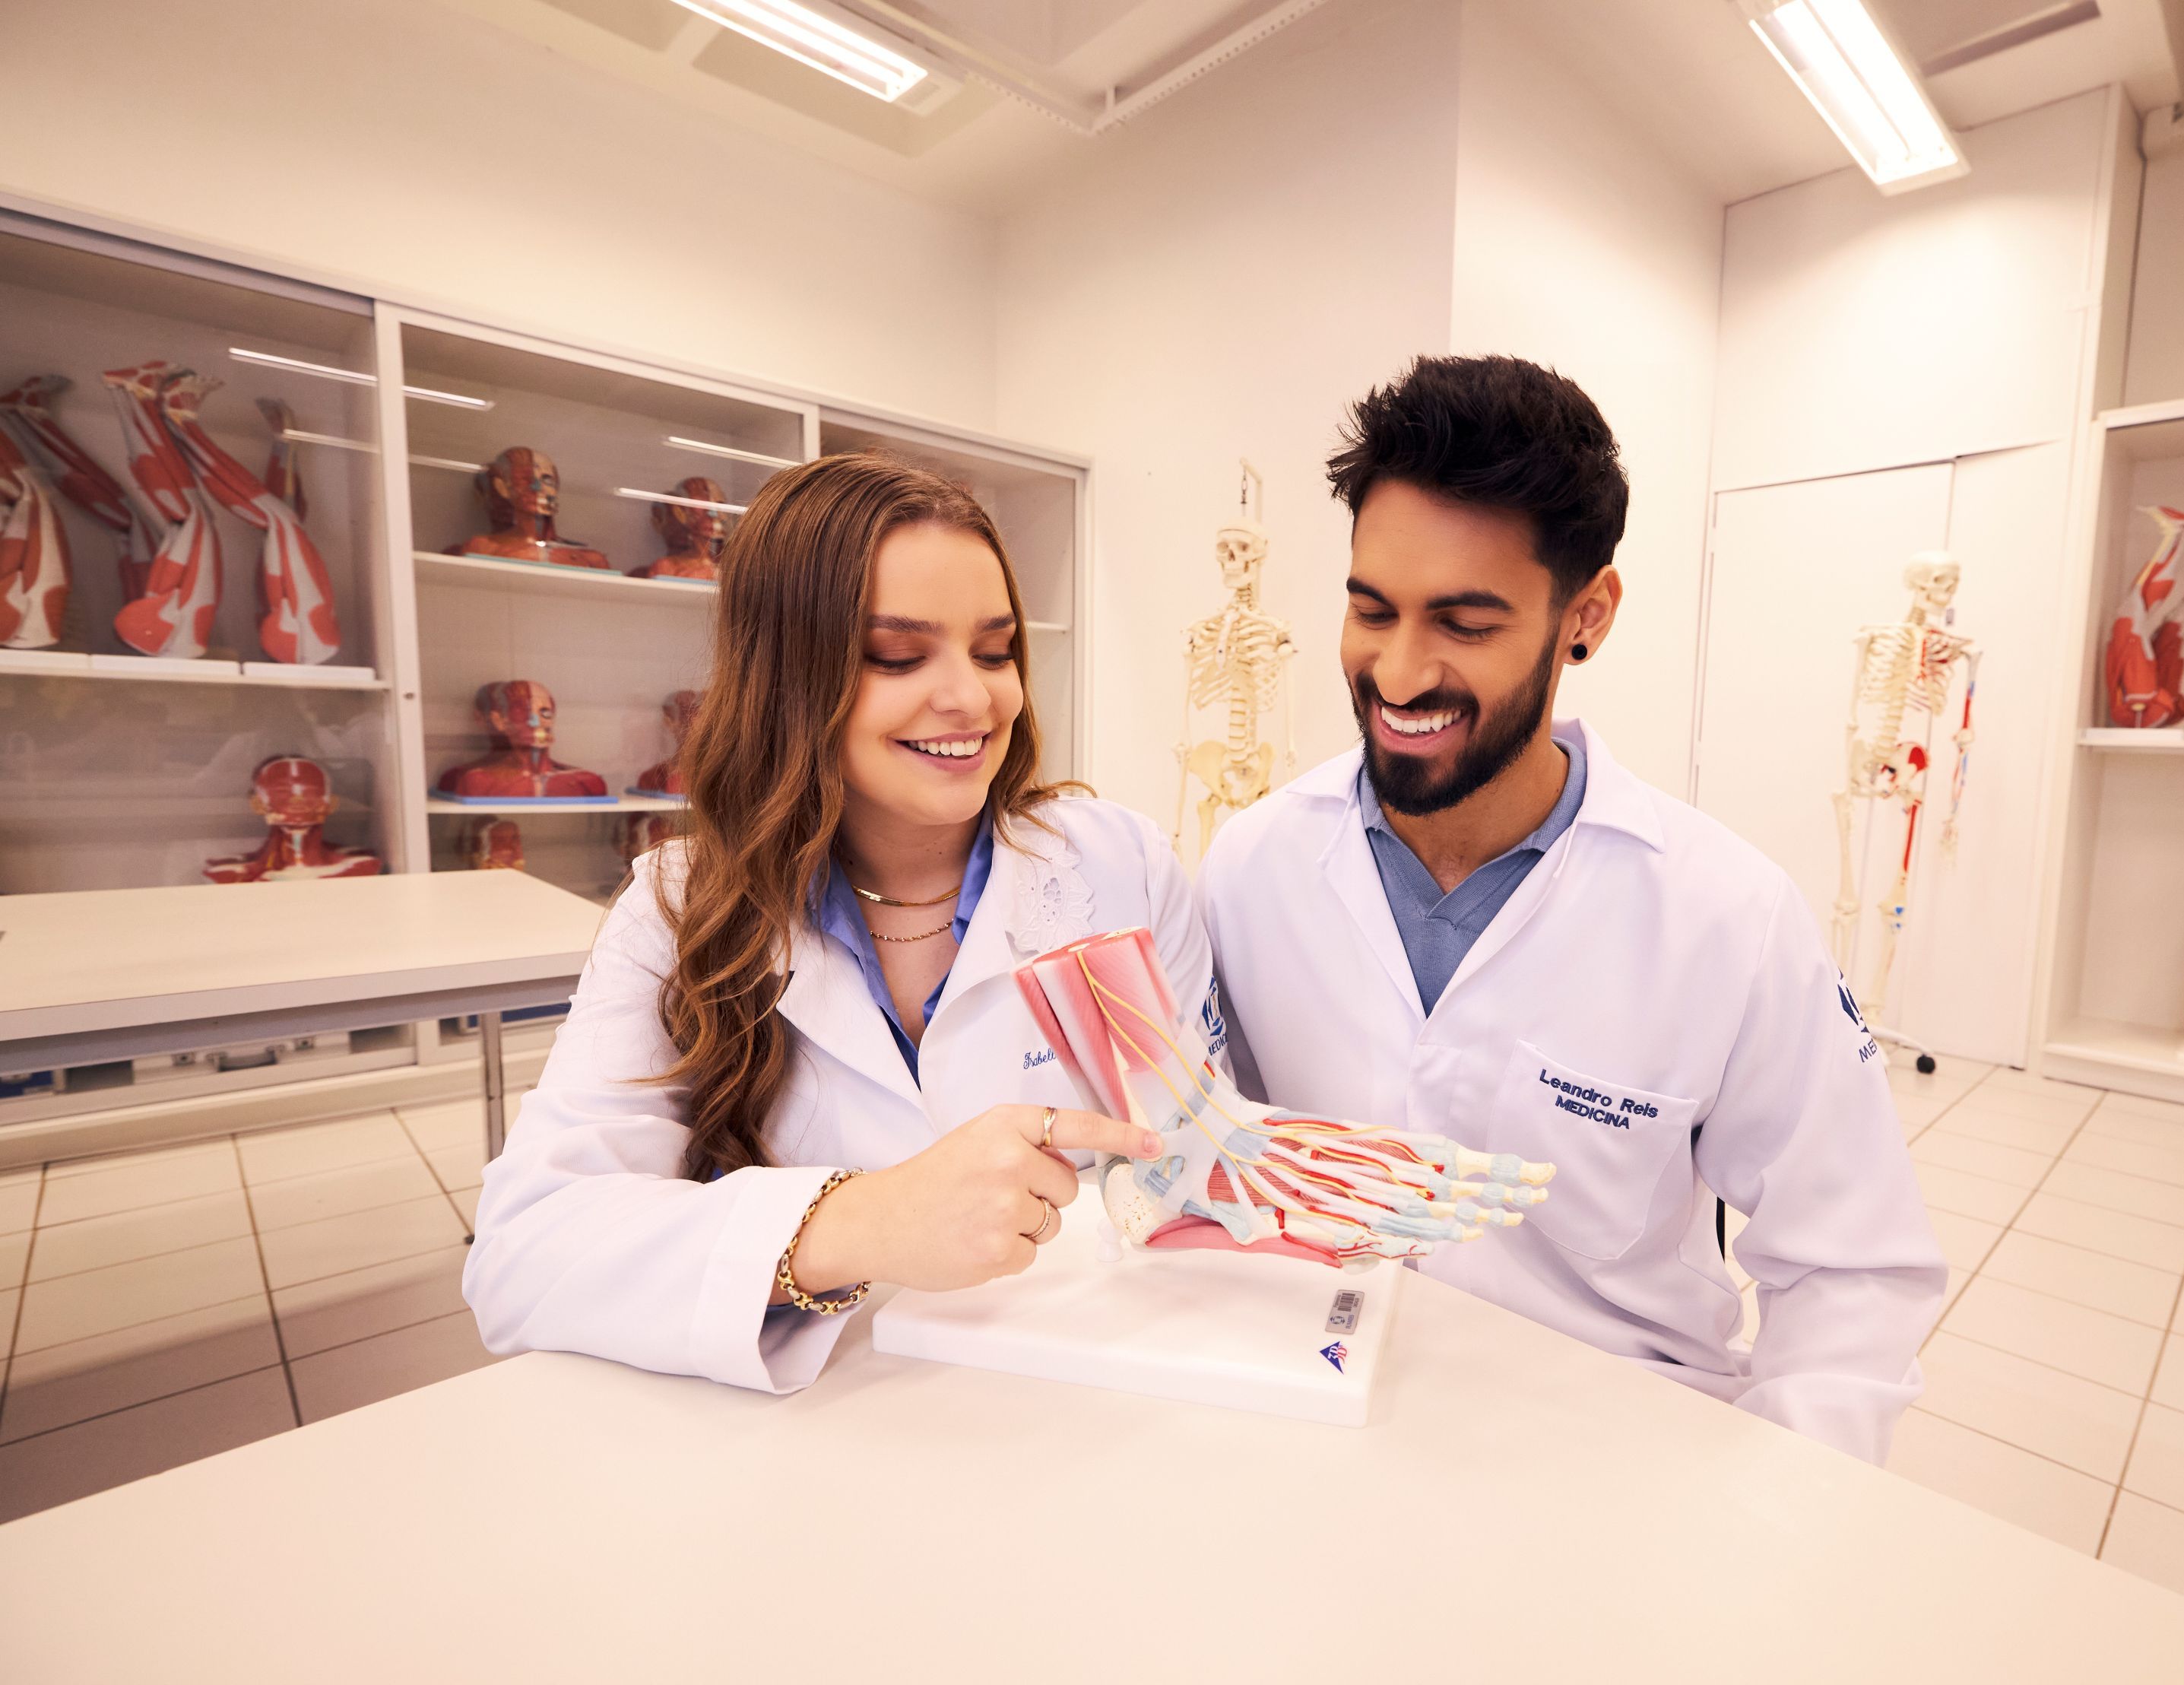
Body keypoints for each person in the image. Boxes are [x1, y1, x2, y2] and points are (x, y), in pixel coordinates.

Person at [1199, 357, 1944, 1463]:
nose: (1399, 675)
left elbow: (1850, 1271)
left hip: (1612, 1447)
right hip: (1317, 1406)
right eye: (1372, 610)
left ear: (1585, 615)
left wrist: (1786, 1509)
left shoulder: (1725, 918)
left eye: (1465, 623)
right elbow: (1211, 1156)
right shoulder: (1251, 864)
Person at [464, 453, 1184, 1393]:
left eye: (996, 649)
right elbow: (522, 1257)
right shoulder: (679, 907)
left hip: (1091, 1401)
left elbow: (1199, 1152)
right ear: (787, 675)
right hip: (823, 1434)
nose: (973, 698)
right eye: (897, 655)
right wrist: (857, 1222)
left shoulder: (1116, 863)